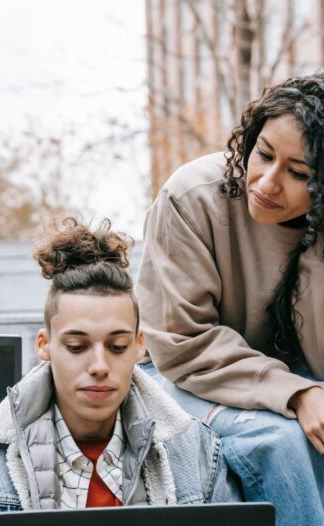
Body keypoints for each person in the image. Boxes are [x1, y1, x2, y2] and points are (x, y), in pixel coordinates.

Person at [0, 217, 238, 525]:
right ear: (44, 346)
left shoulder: (196, 447)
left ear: (138, 347)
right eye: (77, 347)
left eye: (117, 346)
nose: (100, 367)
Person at [136, 70, 324, 526]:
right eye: (263, 154)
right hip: (181, 375)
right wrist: (296, 394)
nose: (266, 182)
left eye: (298, 173)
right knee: (279, 442)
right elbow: (182, 342)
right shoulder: (192, 197)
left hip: (297, 382)